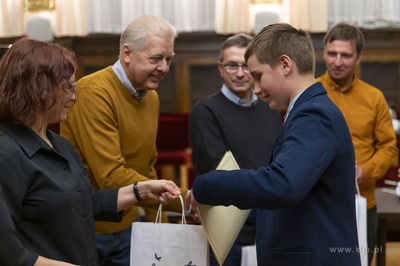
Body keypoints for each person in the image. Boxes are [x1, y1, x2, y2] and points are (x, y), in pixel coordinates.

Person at [189, 23, 362, 265]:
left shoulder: (314, 113)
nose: (256, 89)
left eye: (258, 76)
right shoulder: (303, 110)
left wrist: (205, 185)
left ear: (284, 64)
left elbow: (283, 184)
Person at [0, 37, 181, 266]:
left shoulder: (58, 143)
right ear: (37, 89)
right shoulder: (6, 153)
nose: (74, 97)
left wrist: (141, 191)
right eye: (67, 86)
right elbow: (9, 253)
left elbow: (84, 202)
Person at [60, 15, 187, 266]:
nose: (164, 67)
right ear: (127, 53)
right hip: (91, 228)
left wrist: (158, 226)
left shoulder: (150, 96)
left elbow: (148, 166)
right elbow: (111, 176)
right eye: (156, 58)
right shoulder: (94, 92)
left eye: (169, 59)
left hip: (131, 224)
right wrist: (183, 198)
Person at [189, 33, 282, 266]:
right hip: (228, 229)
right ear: (220, 68)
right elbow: (217, 173)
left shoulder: (271, 109)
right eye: (232, 65)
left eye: (246, 66)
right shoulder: (205, 112)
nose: (240, 74)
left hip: (271, 224)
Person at [316, 22, 398, 264]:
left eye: (346, 55)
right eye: (332, 53)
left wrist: (365, 170)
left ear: (359, 57)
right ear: (324, 53)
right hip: (318, 203)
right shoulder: (310, 91)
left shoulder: (374, 97)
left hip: (362, 202)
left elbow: (388, 147)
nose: (337, 61)